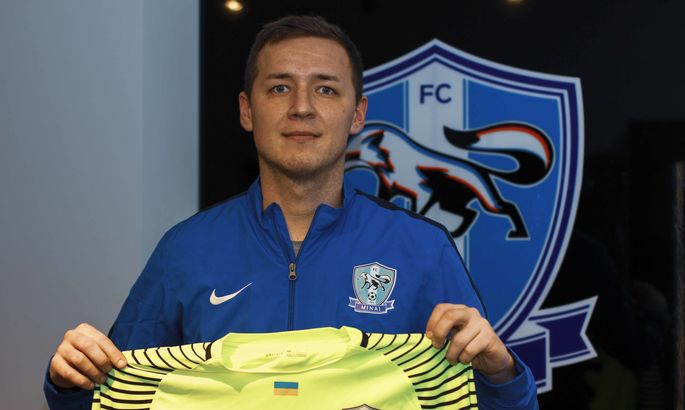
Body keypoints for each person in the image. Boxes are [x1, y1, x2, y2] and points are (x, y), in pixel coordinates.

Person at [44, 15, 538, 409]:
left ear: (357, 114)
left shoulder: (422, 248)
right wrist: (69, 381)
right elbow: (114, 398)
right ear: (246, 110)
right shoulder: (184, 251)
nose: (302, 107)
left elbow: (490, 403)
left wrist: (501, 373)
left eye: (326, 89)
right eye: (280, 87)